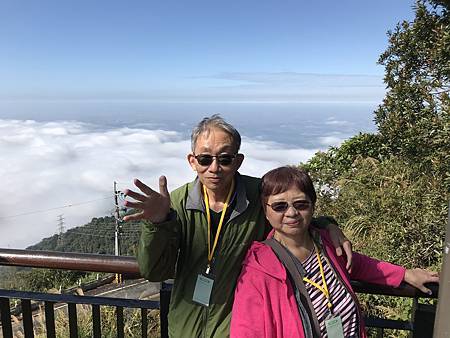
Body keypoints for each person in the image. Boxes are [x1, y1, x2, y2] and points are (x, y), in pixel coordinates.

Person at [123, 115, 352, 337]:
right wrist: (158, 223)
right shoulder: (177, 204)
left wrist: (328, 226)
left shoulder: (257, 197)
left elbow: (293, 218)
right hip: (185, 327)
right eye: (205, 159)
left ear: (238, 161)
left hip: (238, 327)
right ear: (192, 161)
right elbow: (154, 271)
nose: (214, 168)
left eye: (224, 159)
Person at [230, 166, 439, 338]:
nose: (291, 213)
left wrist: (404, 274)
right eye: (279, 206)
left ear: (312, 206)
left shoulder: (325, 242)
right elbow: (246, 330)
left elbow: (356, 264)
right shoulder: (259, 268)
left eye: (301, 204)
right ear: (265, 212)